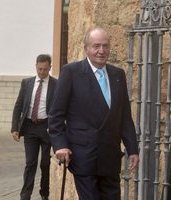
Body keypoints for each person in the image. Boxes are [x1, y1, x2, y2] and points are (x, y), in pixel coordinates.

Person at [48, 27, 139, 200]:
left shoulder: (118, 74)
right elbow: (56, 115)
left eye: (105, 46)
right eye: (96, 46)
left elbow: (124, 117)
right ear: (86, 48)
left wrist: (132, 148)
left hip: (110, 156)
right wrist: (60, 144)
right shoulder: (71, 72)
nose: (101, 51)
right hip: (84, 156)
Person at [11, 54, 57, 200]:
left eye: (45, 69)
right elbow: (18, 106)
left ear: (50, 67)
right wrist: (15, 128)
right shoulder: (27, 83)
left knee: (45, 163)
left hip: (47, 128)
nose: (42, 72)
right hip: (30, 127)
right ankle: (25, 195)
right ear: (36, 66)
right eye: (39, 69)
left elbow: (60, 108)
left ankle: (44, 193)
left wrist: (56, 126)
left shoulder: (56, 84)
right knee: (30, 163)